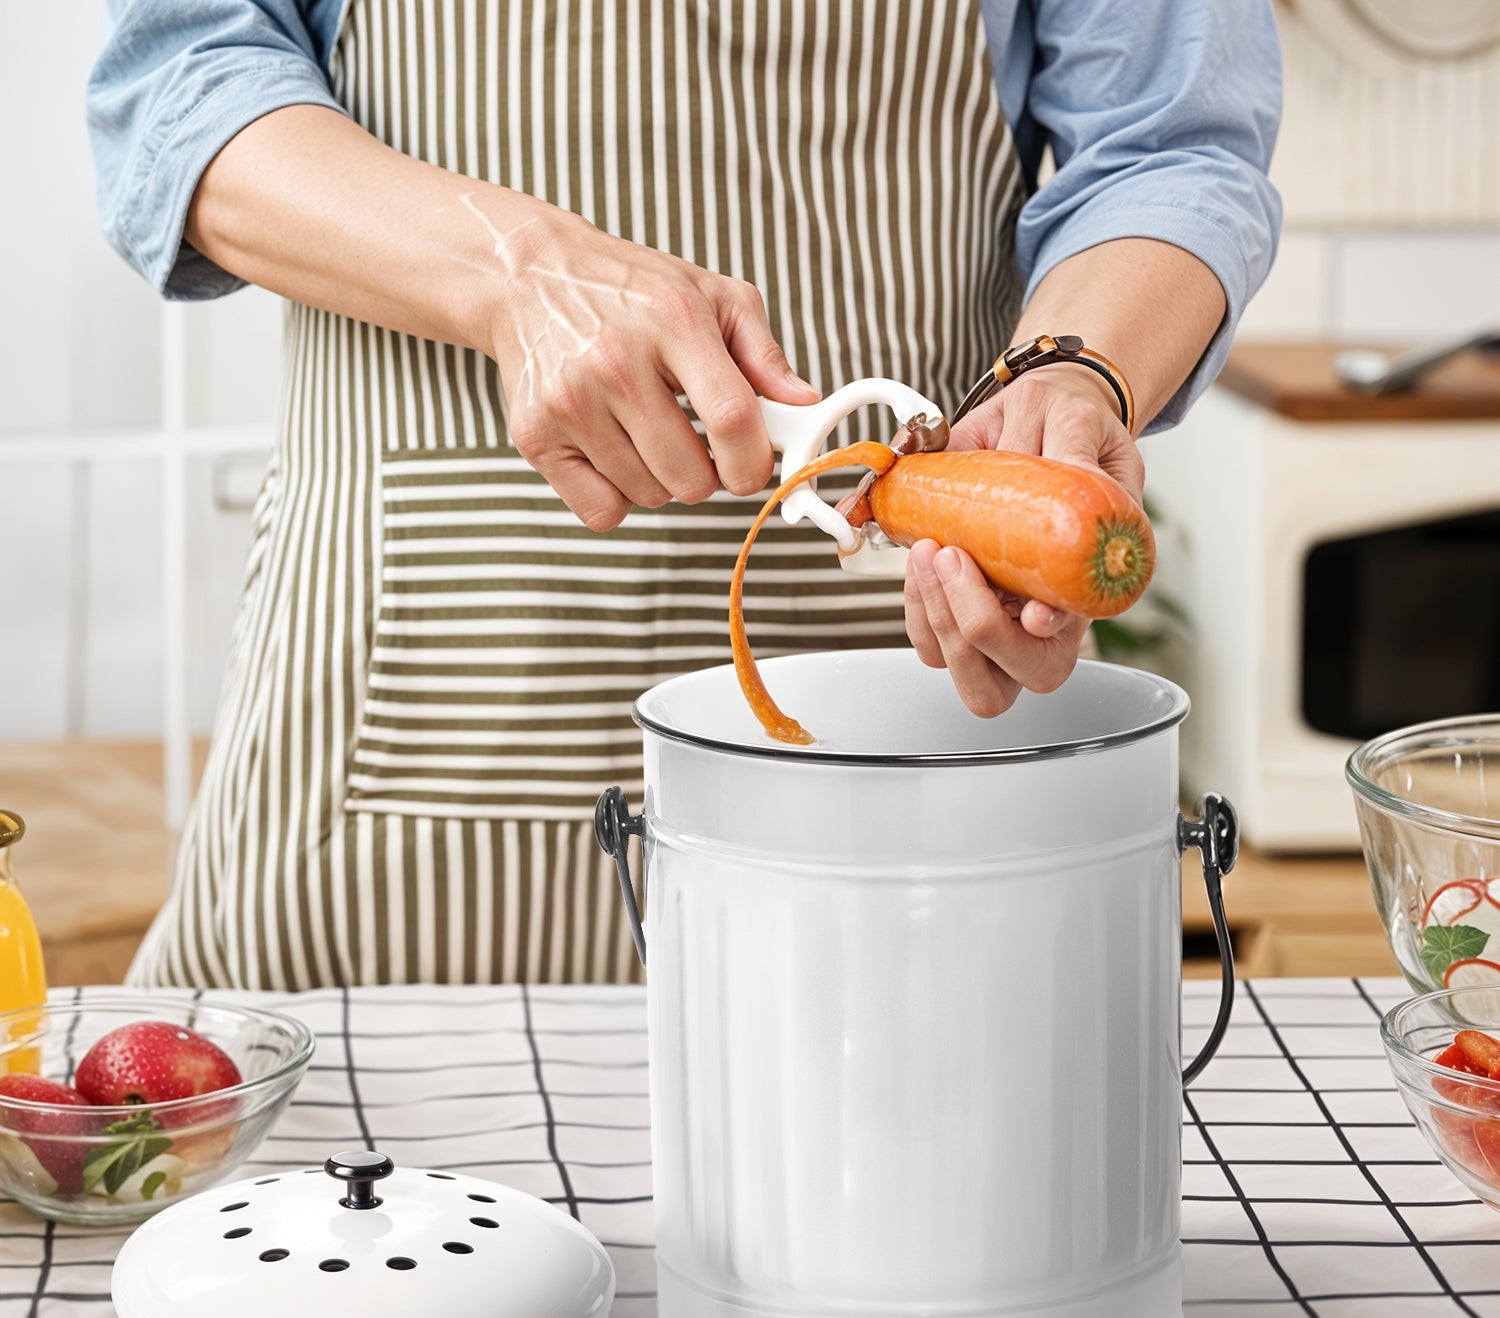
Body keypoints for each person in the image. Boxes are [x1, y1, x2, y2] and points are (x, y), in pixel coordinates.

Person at [88, 0, 1281, 989]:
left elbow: (1171, 146)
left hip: (912, 681)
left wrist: (1073, 370)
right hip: (411, 707)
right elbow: (180, 85)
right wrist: (516, 273)